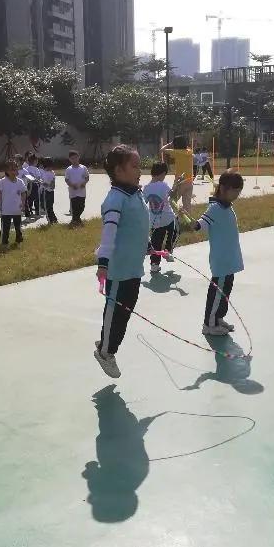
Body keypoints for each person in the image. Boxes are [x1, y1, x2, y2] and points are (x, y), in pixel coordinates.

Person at [93, 144, 153, 379]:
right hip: (118, 270)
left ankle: (107, 340)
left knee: (124, 312)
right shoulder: (115, 199)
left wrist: (147, 244)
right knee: (115, 312)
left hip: (134, 268)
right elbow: (108, 234)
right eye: (135, 166)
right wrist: (103, 262)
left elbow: (138, 225)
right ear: (119, 170)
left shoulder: (135, 194)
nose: (140, 171)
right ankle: (105, 352)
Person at [174, 170, 246, 336]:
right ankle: (209, 324)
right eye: (235, 191)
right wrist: (185, 216)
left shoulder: (226, 206)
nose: (237, 195)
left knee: (225, 293)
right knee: (217, 294)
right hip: (221, 261)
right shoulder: (215, 209)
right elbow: (198, 226)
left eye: (239, 191)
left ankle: (218, 318)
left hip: (230, 260)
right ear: (224, 189)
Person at [142, 162, 176, 273]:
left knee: (156, 242)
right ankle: (167, 251)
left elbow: (144, 202)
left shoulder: (146, 188)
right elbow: (173, 195)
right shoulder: (163, 185)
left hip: (154, 221)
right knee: (174, 232)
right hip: (168, 218)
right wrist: (177, 183)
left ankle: (154, 265)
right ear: (162, 174)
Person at [159, 134, 194, 213]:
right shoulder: (190, 151)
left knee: (171, 201)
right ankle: (186, 219)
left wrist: (169, 144)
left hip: (180, 181)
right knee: (187, 205)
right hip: (190, 181)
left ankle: (170, 217)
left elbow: (161, 150)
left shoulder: (176, 152)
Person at [0, 159, 27, 247]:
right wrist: (0, 206)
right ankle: (4, 242)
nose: (14, 171)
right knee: (5, 227)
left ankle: (19, 240)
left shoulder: (20, 181)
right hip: (6, 210)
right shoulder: (3, 181)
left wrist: (23, 203)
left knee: (18, 226)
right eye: (12, 169)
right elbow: (0, 194)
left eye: (16, 168)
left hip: (17, 209)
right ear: (7, 171)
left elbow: (23, 193)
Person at [64, 150, 90, 227]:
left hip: (82, 191)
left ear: (78, 157)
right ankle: (76, 221)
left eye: (76, 158)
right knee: (75, 207)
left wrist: (84, 183)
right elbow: (66, 179)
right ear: (70, 159)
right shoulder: (69, 169)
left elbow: (87, 177)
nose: (74, 160)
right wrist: (72, 185)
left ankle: (75, 220)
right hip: (73, 192)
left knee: (81, 206)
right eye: (72, 158)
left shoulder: (83, 168)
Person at [38, 157, 58, 224]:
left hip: (49, 191)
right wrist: (42, 183)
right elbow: (39, 179)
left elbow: (52, 184)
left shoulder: (52, 172)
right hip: (45, 191)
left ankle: (53, 220)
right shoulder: (42, 172)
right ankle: (52, 221)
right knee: (47, 207)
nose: (51, 168)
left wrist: (48, 185)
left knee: (49, 206)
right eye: (50, 166)